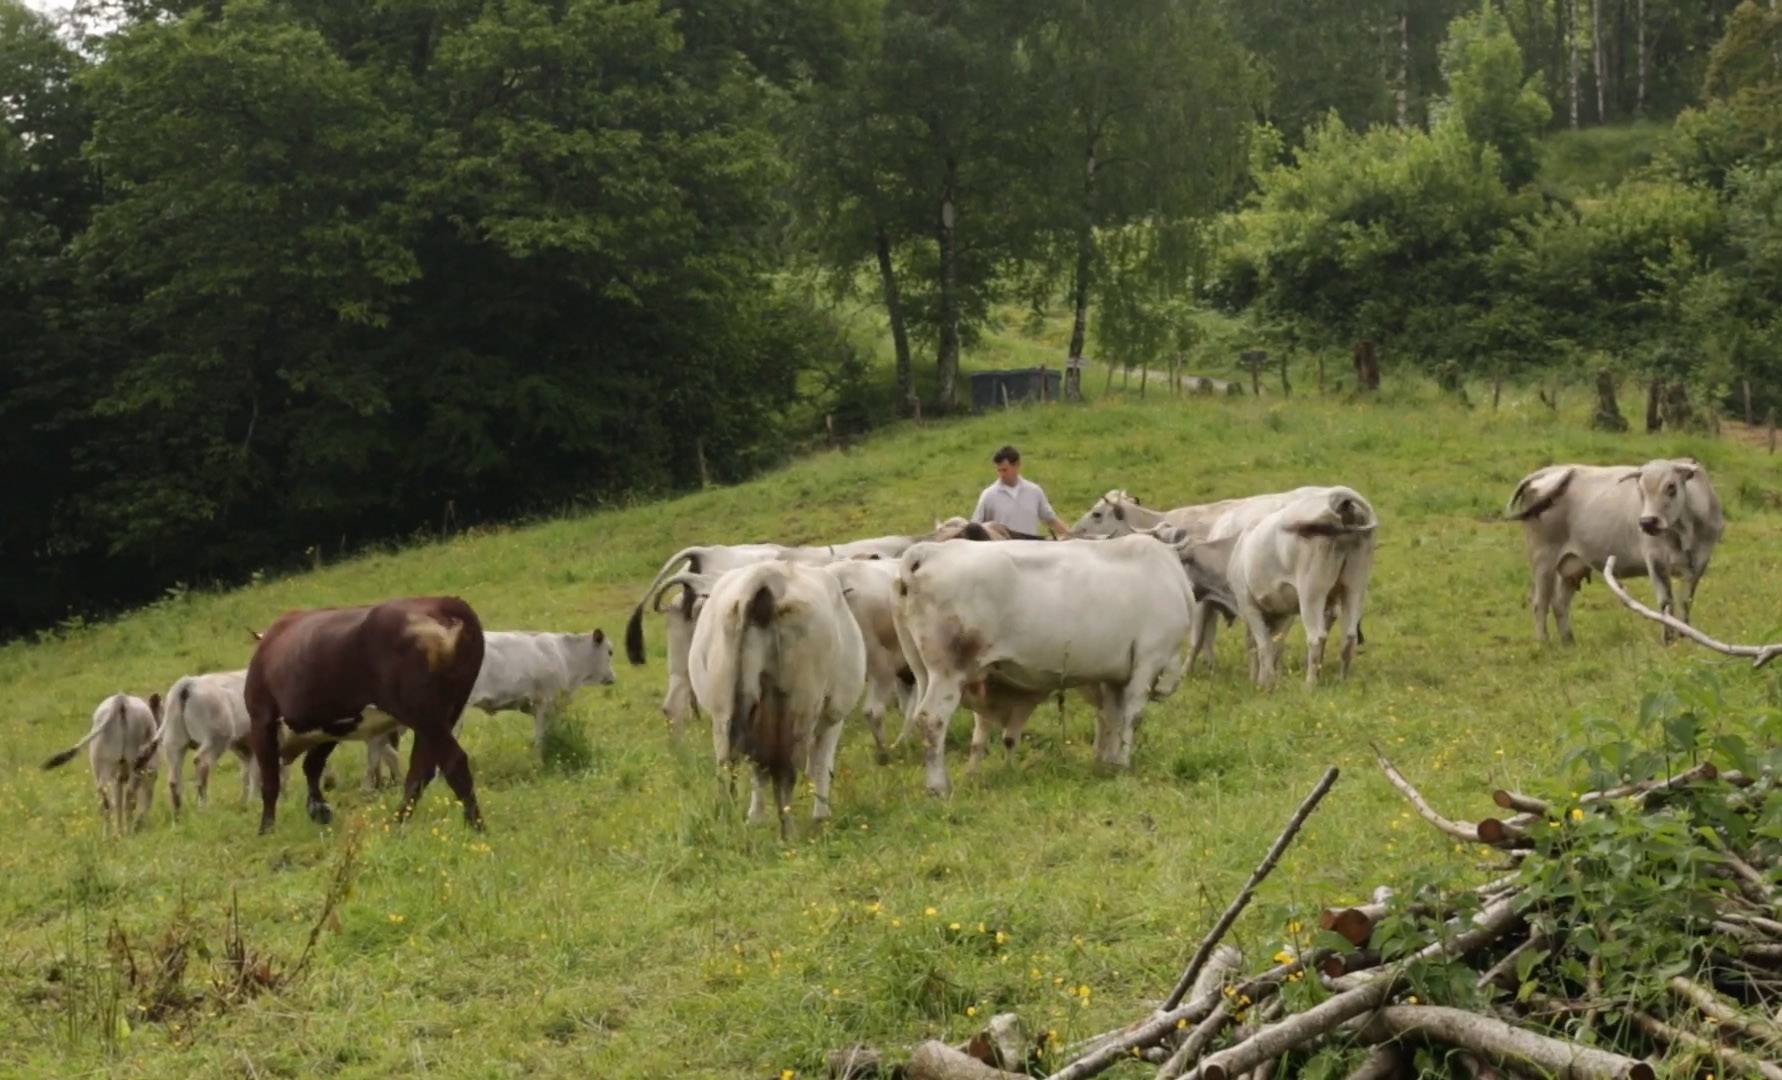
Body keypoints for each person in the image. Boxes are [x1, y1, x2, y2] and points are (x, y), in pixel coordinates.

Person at [969, 445, 1070, 540]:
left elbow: (1051, 519)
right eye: (999, 470)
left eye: (1005, 470)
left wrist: (1071, 537)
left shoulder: (1034, 491)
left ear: (1017, 465)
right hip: (1002, 554)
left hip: (1031, 550)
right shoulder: (989, 495)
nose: (1001, 474)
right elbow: (975, 527)